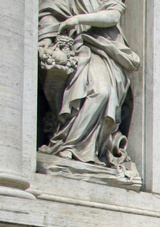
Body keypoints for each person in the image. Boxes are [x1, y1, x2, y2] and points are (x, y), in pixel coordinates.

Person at [37, 0, 140, 167]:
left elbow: (113, 16)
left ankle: (89, 148)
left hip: (105, 50)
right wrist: (46, 38)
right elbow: (50, 12)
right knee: (82, 93)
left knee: (102, 91)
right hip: (76, 49)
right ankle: (69, 145)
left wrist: (78, 19)